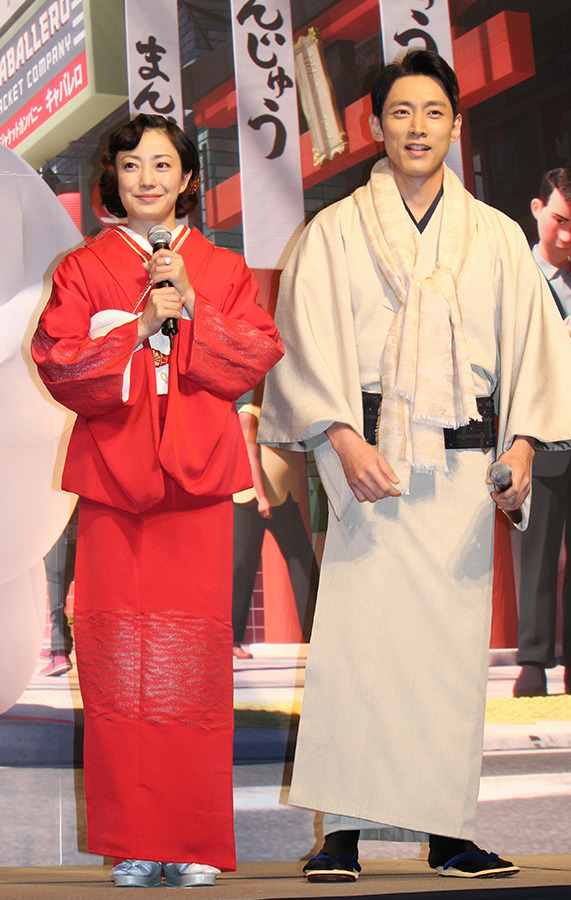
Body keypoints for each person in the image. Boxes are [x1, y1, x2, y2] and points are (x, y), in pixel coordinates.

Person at [258, 49, 571, 882]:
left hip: (462, 472)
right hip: (369, 464)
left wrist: (520, 445)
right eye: (400, 112)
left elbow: (535, 349)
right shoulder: (332, 232)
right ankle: (341, 835)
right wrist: (340, 440)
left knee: (445, 665)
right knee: (357, 654)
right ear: (374, 126)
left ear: (454, 124)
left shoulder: (494, 235)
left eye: (433, 112)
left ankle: (447, 834)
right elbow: (302, 344)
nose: (417, 127)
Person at [31, 114, 283, 888]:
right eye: (132, 164)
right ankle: (134, 840)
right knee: (119, 666)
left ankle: (193, 838)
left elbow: (256, 352)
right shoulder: (84, 268)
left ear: (187, 178)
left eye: (163, 164)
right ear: (112, 177)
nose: (147, 178)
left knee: (191, 670)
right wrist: (138, 327)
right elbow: (58, 361)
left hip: (195, 481)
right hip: (117, 482)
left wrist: (195, 310)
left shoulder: (221, 268)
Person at [513, 168, 571, 698]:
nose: (567, 235)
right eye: (560, 220)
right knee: (535, 553)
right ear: (537, 209)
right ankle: (532, 661)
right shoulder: (515, 276)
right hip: (534, 440)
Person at [232, 396, 318, 658]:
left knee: (303, 565)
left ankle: (317, 635)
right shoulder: (249, 412)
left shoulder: (284, 413)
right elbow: (250, 454)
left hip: (285, 497)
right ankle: (232, 641)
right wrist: (261, 496)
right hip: (251, 499)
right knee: (242, 567)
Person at [39, 505, 78, 677]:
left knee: (57, 589)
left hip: (59, 526)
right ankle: (59, 648)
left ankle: (59, 652)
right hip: (77, 524)